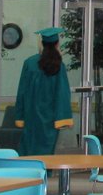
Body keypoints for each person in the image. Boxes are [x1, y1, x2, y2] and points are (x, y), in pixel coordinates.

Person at [13, 27, 73, 155]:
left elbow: (21, 92)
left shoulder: (29, 63)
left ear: (42, 43)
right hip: (50, 119)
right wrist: (63, 117)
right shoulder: (58, 65)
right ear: (57, 44)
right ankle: (44, 173)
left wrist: (20, 115)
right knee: (46, 154)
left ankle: (28, 173)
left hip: (31, 117)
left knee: (29, 151)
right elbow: (62, 93)